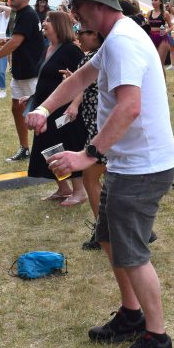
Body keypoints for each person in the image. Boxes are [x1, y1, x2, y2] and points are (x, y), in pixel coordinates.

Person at [27, 0, 174, 348]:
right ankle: (131, 314)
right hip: (128, 163)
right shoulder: (115, 38)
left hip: (143, 166)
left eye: (76, 5)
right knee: (109, 239)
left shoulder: (124, 41)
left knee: (133, 253)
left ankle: (157, 337)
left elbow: (130, 107)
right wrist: (45, 108)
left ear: (97, 5)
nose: (72, 12)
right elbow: (82, 77)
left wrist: (88, 155)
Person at [27, 11, 88, 206]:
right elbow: (46, 79)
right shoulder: (48, 48)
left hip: (64, 110)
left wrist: (75, 104)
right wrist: (30, 98)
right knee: (48, 147)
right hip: (46, 109)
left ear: (59, 25)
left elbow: (82, 79)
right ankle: (63, 188)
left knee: (67, 146)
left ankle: (80, 191)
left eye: (48, 21)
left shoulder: (71, 50)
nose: (43, 23)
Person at [0, 0, 44, 163]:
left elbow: (16, 42)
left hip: (31, 71)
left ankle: (40, 151)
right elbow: (19, 40)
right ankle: (25, 148)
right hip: (21, 71)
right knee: (17, 109)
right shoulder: (22, 14)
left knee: (36, 113)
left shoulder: (28, 14)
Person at [71, 28, 108, 250]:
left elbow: (82, 85)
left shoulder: (94, 57)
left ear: (96, 35)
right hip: (102, 125)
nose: (79, 36)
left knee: (90, 177)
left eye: (84, 32)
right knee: (108, 179)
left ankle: (103, 230)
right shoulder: (103, 54)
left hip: (101, 128)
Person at [146, 0, 173, 70]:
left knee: (160, 65)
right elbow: (148, 26)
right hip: (152, 38)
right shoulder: (149, 13)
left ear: (160, 2)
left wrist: (166, 31)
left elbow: (171, 26)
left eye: (155, 0)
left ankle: (163, 81)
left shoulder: (165, 13)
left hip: (162, 38)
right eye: (152, 0)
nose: (153, 2)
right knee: (152, 63)